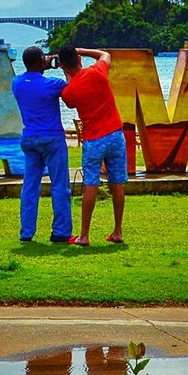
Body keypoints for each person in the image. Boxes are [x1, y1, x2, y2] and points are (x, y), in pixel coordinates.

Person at [58, 45, 126, 246]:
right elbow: (106, 55)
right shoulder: (97, 70)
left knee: (91, 183)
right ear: (79, 59)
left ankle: (84, 235)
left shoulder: (68, 91)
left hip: (93, 139)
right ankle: (118, 231)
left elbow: (71, 98)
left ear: (62, 65)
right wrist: (83, 50)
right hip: (115, 133)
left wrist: (68, 73)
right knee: (117, 183)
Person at [11, 45, 71, 243]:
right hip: (52, 138)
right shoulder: (52, 84)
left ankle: (26, 232)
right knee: (60, 186)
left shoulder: (16, 83)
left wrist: (43, 65)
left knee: (30, 187)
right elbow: (72, 88)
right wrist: (61, 66)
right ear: (40, 61)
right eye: (44, 58)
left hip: (29, 137)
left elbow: (31, 79)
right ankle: (61, 231)